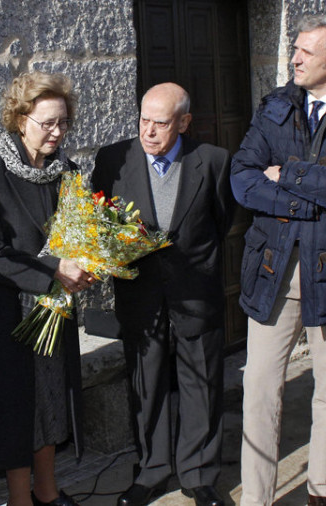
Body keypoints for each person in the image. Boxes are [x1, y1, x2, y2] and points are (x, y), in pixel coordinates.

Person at [230, 14, 326, 506]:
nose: (293, 58)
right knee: (258, 392)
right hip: (273, 270)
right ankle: (257, 497)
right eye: (293, 48)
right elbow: (242, 176)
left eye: (304, 51)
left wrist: (289, 175)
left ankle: (322, 491)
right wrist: (319, 185)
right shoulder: (275, 105)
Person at [91, 82, 232, 506]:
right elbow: (101, 222)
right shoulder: (114, 159)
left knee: (202, 385)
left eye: (161, 123)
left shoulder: (214, 161)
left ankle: (200, 474)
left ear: (184, 122)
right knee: (146, 385)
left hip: (197, 295)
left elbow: (221, 222)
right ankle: (151, 469)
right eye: (144, 121)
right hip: (141, 299)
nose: (149, 131)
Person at [0, 71, 92, 506]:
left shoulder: (67, 171)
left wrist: (88, 264)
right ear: (20, 120)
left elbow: (79, 238)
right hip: (7, 314)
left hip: (52, 310)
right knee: (17, 408)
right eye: (47, 123)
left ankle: (48, 492)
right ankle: (19, 499)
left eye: (63, 123)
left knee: (52, 400)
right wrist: (54, 271)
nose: (57, 133)